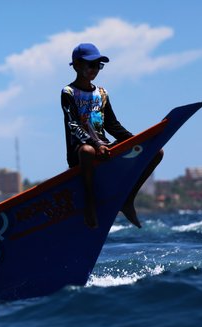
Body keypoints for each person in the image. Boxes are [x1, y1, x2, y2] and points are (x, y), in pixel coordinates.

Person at [61, 42, 163, 229]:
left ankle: (127, 199)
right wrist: (95, 144)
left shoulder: (102, 93)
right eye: (90, 65)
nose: (95, 69)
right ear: (76, 65)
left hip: (103, 146)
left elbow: (112, 125)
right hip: (81, 151)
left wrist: (137, 140)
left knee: (157, 152)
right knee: (87, 151)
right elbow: (73, 125)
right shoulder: (68, 92)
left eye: (98, 65)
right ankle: (89, 205)